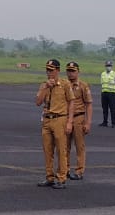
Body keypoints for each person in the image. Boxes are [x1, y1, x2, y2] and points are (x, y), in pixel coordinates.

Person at [35, 58, 74, 188]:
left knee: (61, 150)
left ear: (57, 70)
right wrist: (46, 87)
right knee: (47, 150)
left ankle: (62, 178)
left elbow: (71, 102)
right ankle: (49, 176)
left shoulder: (65, 84)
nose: (49, 73)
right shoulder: (44, 85)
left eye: (51, 70)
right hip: (47, 119)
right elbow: (38, 102)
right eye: (47, 70)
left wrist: (69, 122)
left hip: (60, 118)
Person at [65, 61, 93, 181]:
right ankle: (64, 170)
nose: (70, 74)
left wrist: (88, 122)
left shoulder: (83, 86)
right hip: (65, 117)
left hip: (78, 117)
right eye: (69, 71)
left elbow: (89, 104)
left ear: (78, 72)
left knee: (79, 146)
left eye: (73, 71)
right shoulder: (64, 84)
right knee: (64, 146)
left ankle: (79, 171)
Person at [99, 60, 115, 127]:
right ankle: (105, 122)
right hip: (104, 93)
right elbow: (102, 83)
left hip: (111, 93)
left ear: (111, 66)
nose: (108, 67)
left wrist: (114, 89)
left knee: (112, 108)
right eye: (107, 66)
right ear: (105, 66)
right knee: (104, 108)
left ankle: (113, 123)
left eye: (109, 66)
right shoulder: (102, 74)